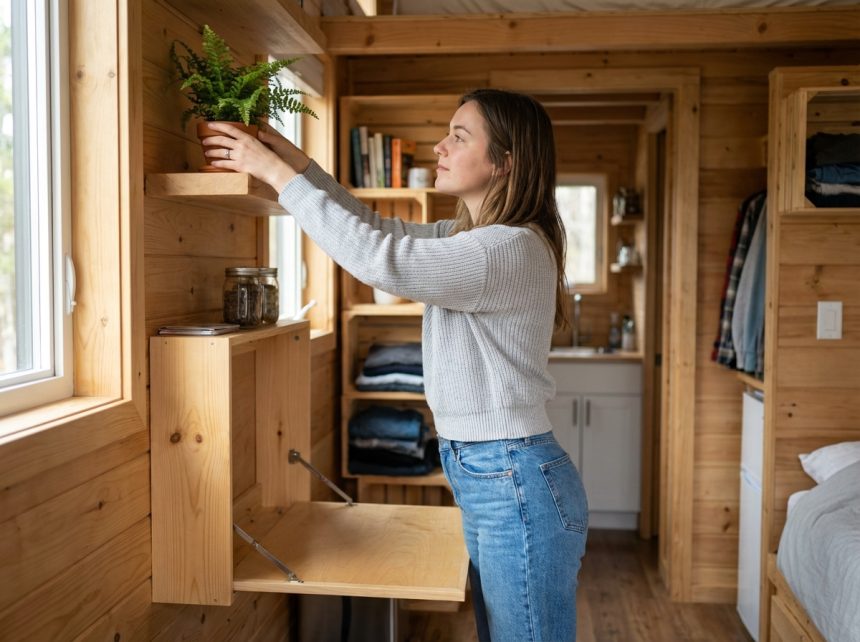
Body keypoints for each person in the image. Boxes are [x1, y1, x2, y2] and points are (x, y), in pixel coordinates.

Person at [204, 88, 589, 642]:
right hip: (496, 473)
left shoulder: (505, 249)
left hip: (514, 479)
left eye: (459, 136)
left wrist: (274, 174)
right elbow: (376, 228)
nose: (440, 147)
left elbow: (378, 259)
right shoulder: (471, 238)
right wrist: (296, 161)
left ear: (506, 161)